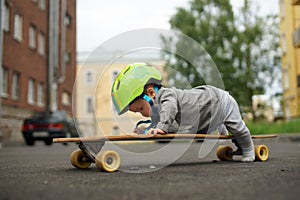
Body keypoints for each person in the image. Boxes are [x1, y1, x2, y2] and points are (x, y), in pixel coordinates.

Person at [111, 63, 255, 162]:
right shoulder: (160, 111)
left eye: (141, 109)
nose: (142, 114)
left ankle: (248, 149)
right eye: (138, 112)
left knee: (237, 128)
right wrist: (147, 129)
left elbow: (170, 110)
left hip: (220, 102)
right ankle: (234, 140)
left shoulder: (166, 95)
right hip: (207, 114)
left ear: (151, 93)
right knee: (226, 129)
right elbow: (171, 127)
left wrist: (161, 127)